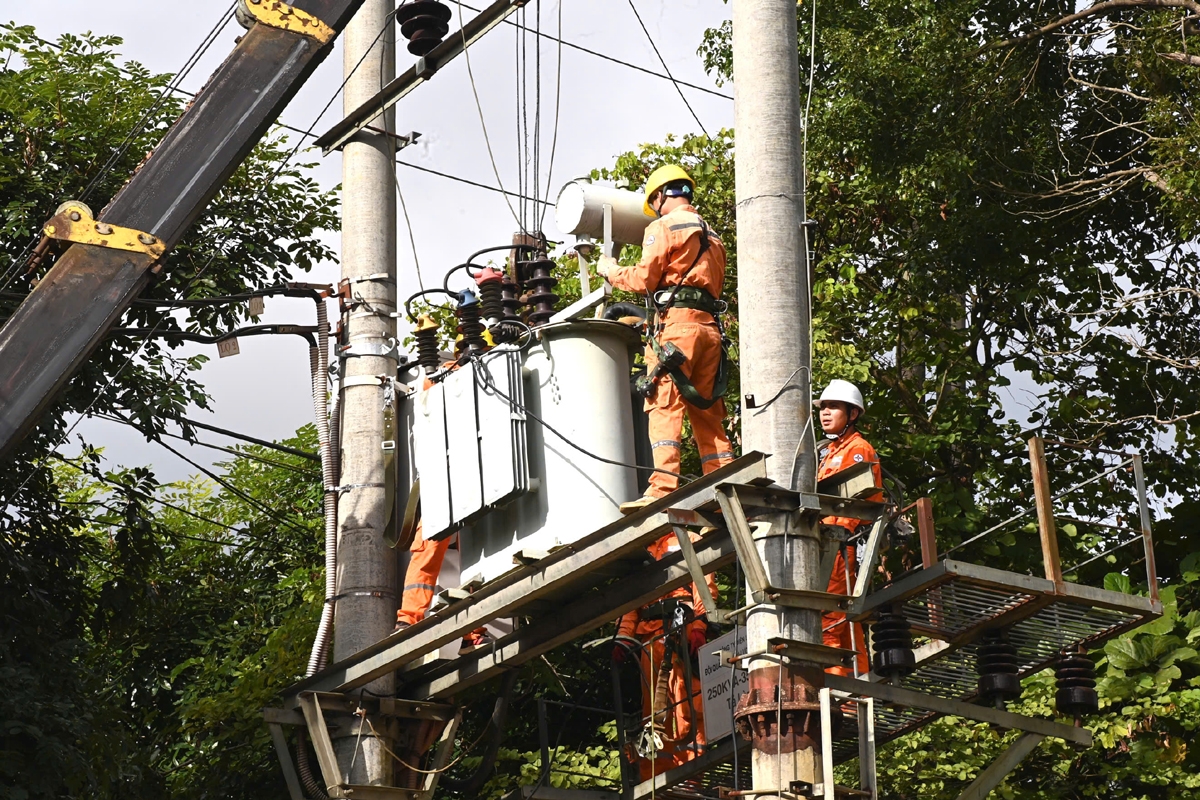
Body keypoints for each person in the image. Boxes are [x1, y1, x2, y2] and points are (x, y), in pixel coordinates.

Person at [597, 164, 734, 512]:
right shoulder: (713, 236)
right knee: (707, 411)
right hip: (709, 331)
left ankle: (662, 488)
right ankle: (724, 479)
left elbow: (644, 279)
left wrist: (610, 271)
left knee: (664, 406)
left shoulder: (664, 226)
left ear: (659, 196)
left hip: (676, 330)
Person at [613, 531, 716, 780]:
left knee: (687, 702)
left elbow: (702, 582)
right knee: (653, 710)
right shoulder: (639, 548)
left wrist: (700, 625)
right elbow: (631, 598)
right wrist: (623, 636)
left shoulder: (686, 538)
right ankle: (657, 777)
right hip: (650, 638)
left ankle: (691, 776)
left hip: (681, 630)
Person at [816, 379, 880, 677]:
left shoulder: (858, 449)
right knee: (845, 622)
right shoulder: (829, 452)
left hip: (839, 544)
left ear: (852, 414)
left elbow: (853, 504)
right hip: (828, 543)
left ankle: (834, 691)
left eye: (833, 407)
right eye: (823, 407)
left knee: (829, 617)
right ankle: (857, 689)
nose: (825, 413)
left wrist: (833, 539)